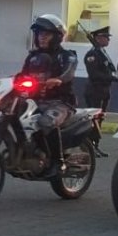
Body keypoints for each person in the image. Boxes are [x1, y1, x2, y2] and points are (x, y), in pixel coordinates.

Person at [21, 15, 77, 169]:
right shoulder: (32, 57)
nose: (42, 37)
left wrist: (58, 79)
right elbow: (22, 75)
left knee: (45, 122)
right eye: (40, 34)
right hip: (35, 102)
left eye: (46, 34)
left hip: (61, 102)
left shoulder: (66, 56)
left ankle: (58, 162)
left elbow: (69, 72)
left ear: (57, 37)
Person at [83, 26, 117, 112]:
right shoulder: (92, 54)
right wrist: (111, 77)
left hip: (103, 90)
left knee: (101, 115)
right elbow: (94, 74)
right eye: (106, 37)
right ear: (98, 38)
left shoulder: (101, 52)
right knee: (95, 116)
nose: (108, 39)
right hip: (95, 91)